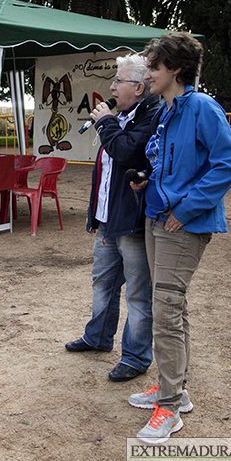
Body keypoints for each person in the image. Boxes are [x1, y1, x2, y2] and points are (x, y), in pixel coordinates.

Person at [127, 32, 231, 444]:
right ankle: (173, 387)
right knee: (170, 308)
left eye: (154, 67)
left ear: (176, 68)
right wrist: (148, 182)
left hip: (183, 225)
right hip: (157, 217)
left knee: (167, 310)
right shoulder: (167, 109)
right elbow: (170, 163)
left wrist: (186, 207)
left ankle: (170, 407)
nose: (148, 74)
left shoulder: (202, 107)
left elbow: (228, 164)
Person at [65, 54, 159, 383]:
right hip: (107, 220)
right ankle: (98, 337)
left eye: (118, 81)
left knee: (136, 292)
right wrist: (94, 213)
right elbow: (104, 173)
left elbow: (127, 154)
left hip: (131, 222)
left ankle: (135, 357)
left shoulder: (152, 115)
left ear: (138, 86)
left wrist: (105, 122)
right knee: (103, 283)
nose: (112, 86)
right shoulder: (118, 116)